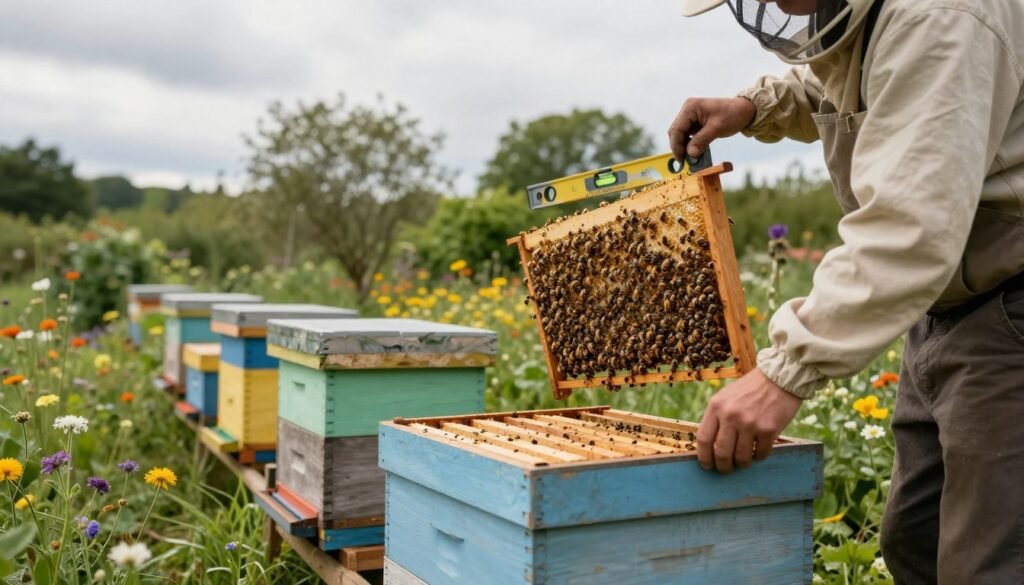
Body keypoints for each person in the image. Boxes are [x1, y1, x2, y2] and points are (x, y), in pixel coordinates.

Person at [669, 0, 1024, 582]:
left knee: (990, 564)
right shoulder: (876, 17)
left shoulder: (941, 17)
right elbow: (842, 72)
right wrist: (753, 106)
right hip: (949, 302)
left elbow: (907, 230)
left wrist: (784, 372)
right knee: (916, 540)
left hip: (1009, 303)